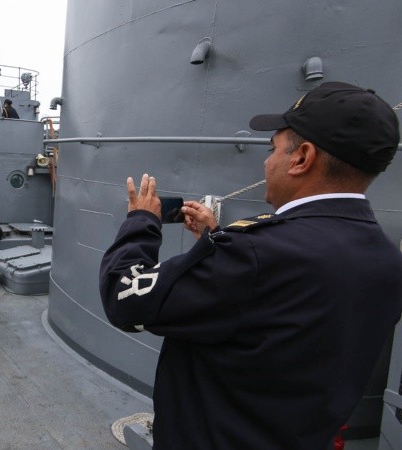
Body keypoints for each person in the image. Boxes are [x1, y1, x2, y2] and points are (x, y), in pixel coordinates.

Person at [98, 81, 402, 449]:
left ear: (302, 158)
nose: (267, 161)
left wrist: (142, 222)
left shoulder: (253, 255)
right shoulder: (387, 260)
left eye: (273, 148)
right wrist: (217, 241)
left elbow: (124, 298)